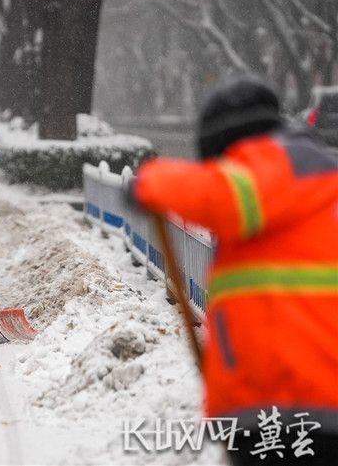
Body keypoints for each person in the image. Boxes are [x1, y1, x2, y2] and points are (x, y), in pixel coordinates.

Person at [127, 77, 338, 465]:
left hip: (300, 401)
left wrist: (153, 180)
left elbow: (221, 194)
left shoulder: (279, 167)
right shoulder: (299, 183)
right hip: (283, 400)